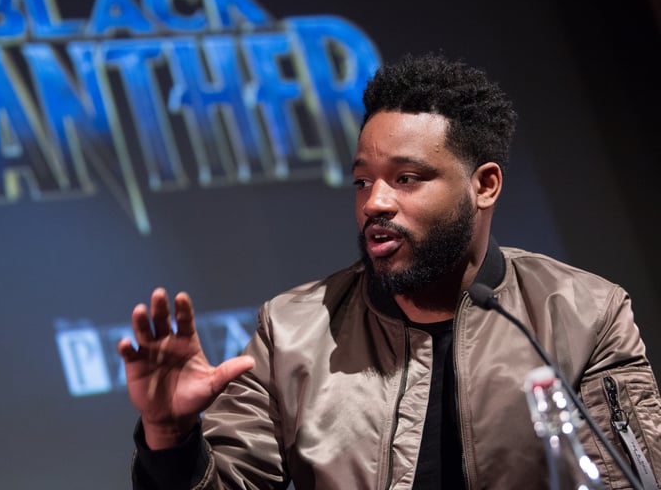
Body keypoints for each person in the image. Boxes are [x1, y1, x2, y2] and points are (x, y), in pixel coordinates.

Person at [117, 54, 661, 489]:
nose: (375, 201)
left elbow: (632, 479)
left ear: (485, 185)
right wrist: (170, 434)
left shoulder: (585, 313)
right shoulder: (289, 332)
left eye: (406, 178)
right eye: (362, 181)